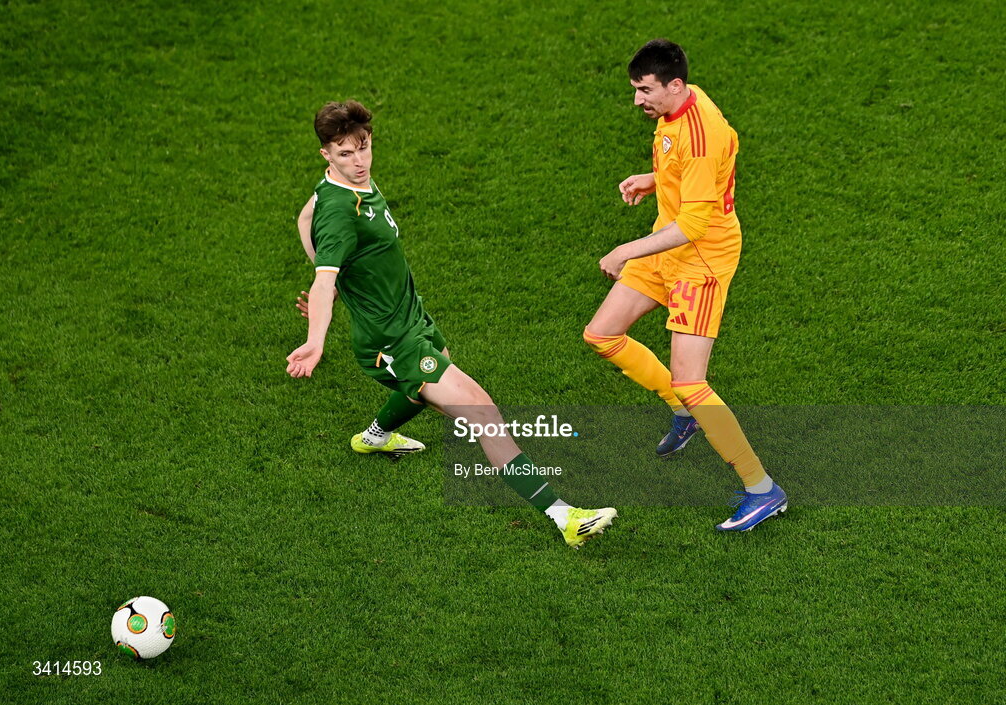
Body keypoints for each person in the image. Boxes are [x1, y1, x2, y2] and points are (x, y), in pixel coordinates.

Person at [286, 100, 616, 548]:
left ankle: (375, 437)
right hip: (390, 340)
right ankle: (566, 518)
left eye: (363, 148)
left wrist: (349, 284)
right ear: (325, 154)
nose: (359, 161)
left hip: (410, 317)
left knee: (440, 374)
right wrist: (316, 338)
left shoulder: (346, 185)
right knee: (484, 414)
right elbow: (323, 277)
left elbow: (304, 215)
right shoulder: (341, 212)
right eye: (345, 154)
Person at [584, 39, 786, 532]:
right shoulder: (680, 105)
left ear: (673, 85)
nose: (637, 100)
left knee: (691, 380)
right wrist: (656, 178)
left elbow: (695, 225)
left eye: (644, 90)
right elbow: (694, 172)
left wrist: (625, 249)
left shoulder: (701, 133)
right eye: (635, 89)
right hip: (667, 242)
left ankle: (763, 489)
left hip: (700, 259)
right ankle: (684, 413)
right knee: (602, 334)